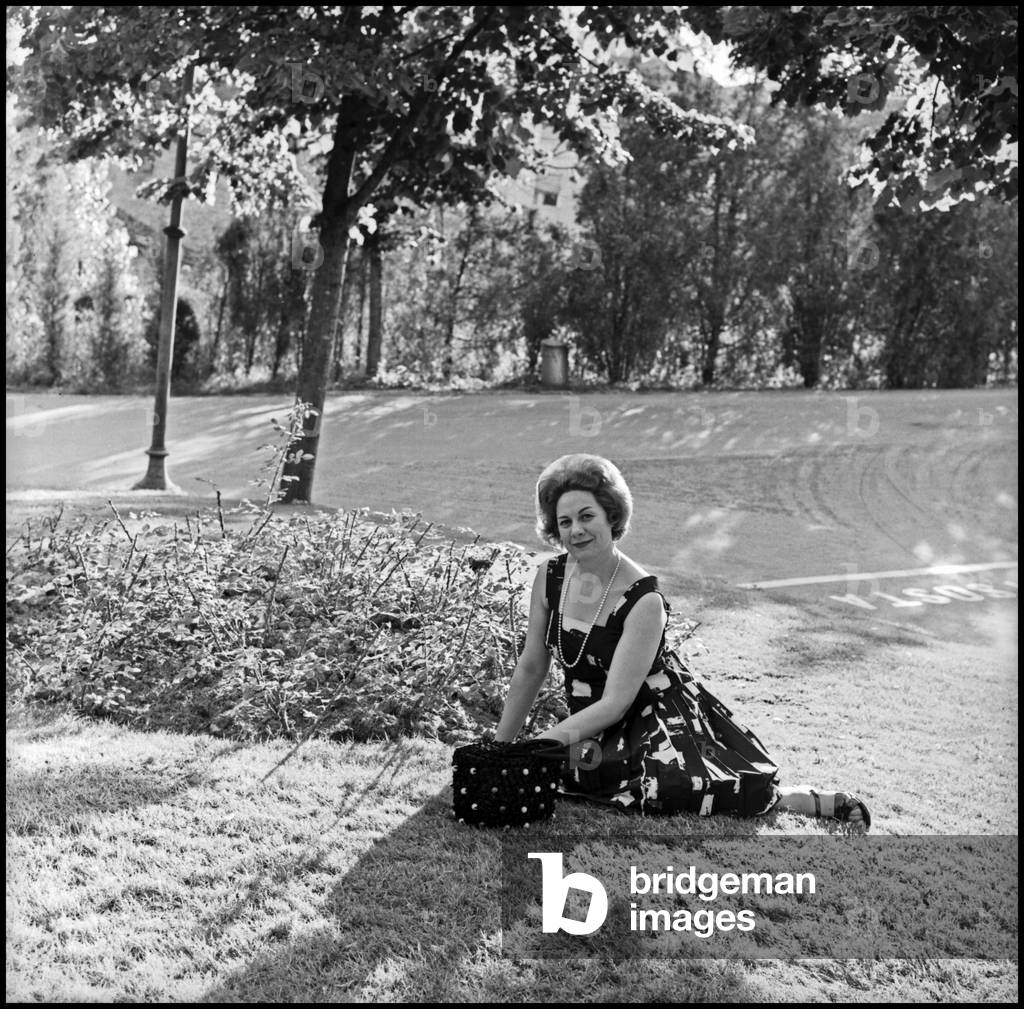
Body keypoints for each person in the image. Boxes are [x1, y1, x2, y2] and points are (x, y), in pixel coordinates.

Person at [494, 453, 871, 831]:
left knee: (667, 790)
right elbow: (531, 665)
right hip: (589, 722)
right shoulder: (551, 576)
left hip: (653, 718)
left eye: (586, 516)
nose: (576, 530)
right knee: (568, 772)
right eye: (565, 521)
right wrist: (501, 749)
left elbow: (614, 704)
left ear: (611, 515)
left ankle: (795, 798)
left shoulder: (643, 599)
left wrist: (535, 747)